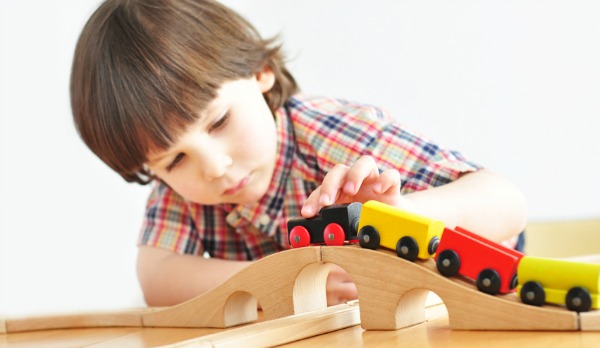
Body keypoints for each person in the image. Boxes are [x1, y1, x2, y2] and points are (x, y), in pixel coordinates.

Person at [70, 0, 527, 308]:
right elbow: (156, 278)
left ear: (260, 72)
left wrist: (408, 212)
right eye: (174, 161)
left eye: (218, 122)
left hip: (470, 311)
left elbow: (508, 204)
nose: (213, 166)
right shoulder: (183, 189)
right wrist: (282, 279)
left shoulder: (333, 134)